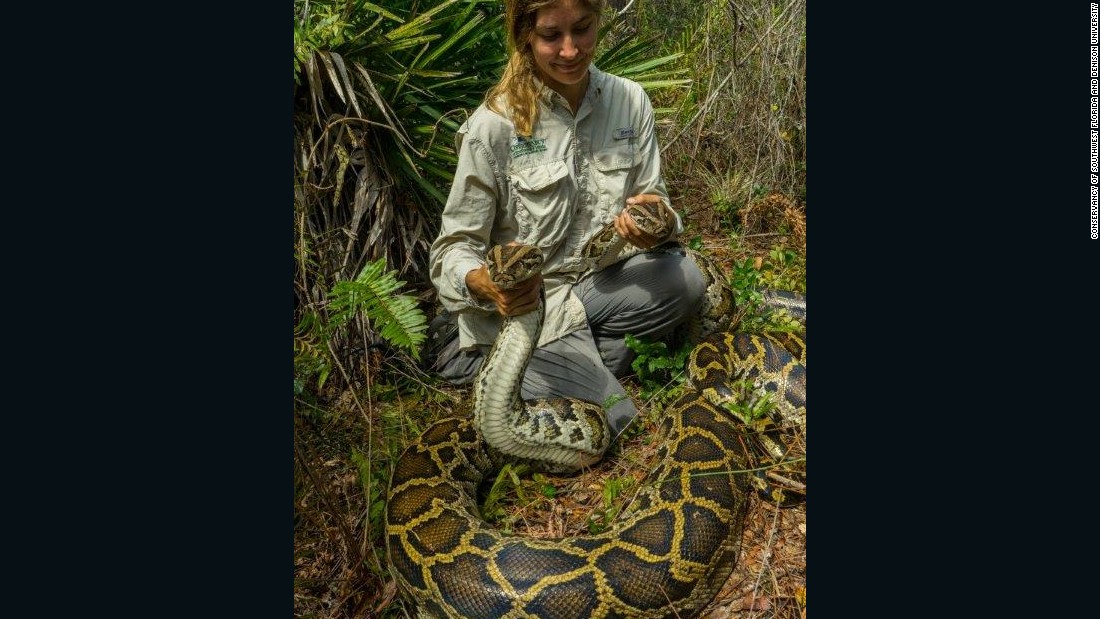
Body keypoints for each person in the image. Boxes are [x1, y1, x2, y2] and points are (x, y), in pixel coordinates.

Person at [427, 0, 706, 437]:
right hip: (531, 310)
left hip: (597, 285)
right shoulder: (494, 126)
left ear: (598, 21)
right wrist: (485, 284)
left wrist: (660, 226)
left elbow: (659, 201)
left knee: (686, 277)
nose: (571, 50)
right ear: (526, 36)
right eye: (551, 36)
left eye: (583, 29)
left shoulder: (630, 102)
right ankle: (524, 360)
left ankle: (571, 362)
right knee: (616, 419)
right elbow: (452, 249)